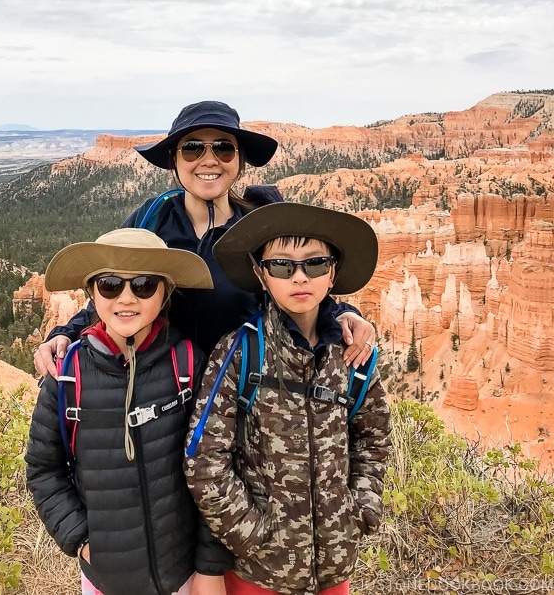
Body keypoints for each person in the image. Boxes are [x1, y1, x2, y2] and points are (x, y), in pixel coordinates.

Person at [34, 101, 376, 376]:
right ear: (174, 160)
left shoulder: (259, 227)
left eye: (224, 149)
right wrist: (64, 332)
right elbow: (114, 289)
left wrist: (344, 313)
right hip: (162, 391)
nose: (209, 160)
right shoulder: (150, 221)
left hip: (242, 392)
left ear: (240, 162)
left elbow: (296, 278)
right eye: (193, 148)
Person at [184, 202, 392, 595]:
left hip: (334, 568)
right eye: (282, 266)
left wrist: (360, 510)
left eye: (314, 264)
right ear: (262, 276)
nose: (299, 277)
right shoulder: (241, 353)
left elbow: (374, 439)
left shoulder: (353, 358)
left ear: (332, 273)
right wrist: (252, 535)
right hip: (259, 574)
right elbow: (204, 457)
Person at [25, 227, 231, 595]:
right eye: (108, 284)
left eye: (144, 285)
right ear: (91, 293)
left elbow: (213, 467)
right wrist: (82, 540)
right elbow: (43, 469)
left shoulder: (187, 364)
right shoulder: (67, 377)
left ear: (165, 292)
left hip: (184, 573)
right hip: (106, 578)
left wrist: (210, 564)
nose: (126, 298)